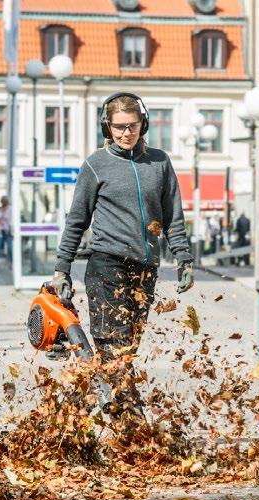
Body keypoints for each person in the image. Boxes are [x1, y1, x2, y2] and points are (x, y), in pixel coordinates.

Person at [52, 92, 194, 421]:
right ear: (107, 127)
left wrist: (184, 258)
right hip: (106, 266)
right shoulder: (95, 165)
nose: (125, 133)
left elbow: (173, 217)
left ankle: (81, 410)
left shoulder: (159, 162)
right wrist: (62, 270)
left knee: (127, 347)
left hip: (145, 268)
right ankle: (130, 422)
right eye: (118, 127)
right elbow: (76, 222)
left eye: (132, 126)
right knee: (112, 344)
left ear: (143, 124)